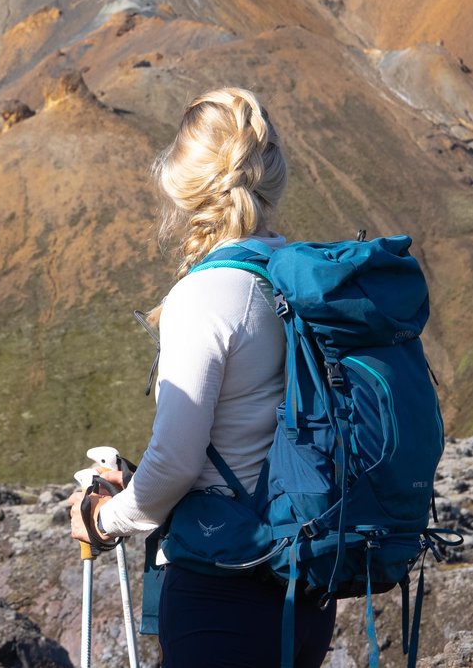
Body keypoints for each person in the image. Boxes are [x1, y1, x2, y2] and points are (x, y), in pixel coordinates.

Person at [66, 87, 336, 668]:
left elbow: (179, 462)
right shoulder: (295, 280)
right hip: (305, 584)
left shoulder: (207, 295)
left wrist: (102, 517)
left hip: (225, 584)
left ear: (183, 188)